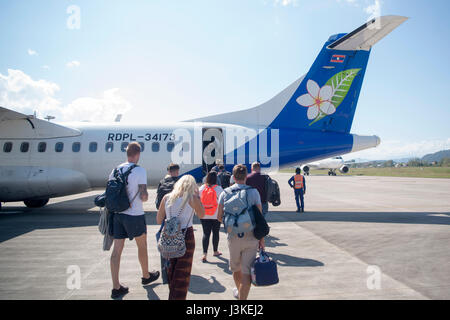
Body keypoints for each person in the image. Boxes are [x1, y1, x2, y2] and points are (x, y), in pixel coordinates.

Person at [109, 142, 160, 299]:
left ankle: (116, 286)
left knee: (117, 250)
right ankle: (146, 276)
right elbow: (143, 196)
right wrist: (145, 196)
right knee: (142, 246)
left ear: (127, 153)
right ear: (138, 154)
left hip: (117, 214)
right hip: (134, 215)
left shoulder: (115, 170)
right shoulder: (139, 170)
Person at [217, 164, 265, 300]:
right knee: (246, 272)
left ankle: (240, 294)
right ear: (246, 176)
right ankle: (242, 298)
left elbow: (219, 216)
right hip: (250, 237)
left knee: (235, 268)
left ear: (233, 176)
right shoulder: (253, 192)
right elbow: (260, 217)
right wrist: (261, 239)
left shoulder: (224, 193)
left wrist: (231, 224)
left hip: (233, 237)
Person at [156, 175, 205, 300]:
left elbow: (158, 220)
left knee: (171, 270)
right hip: (185, 235)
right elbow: (202, 214)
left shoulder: (166, 197)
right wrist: (197, 197)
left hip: (169, 235)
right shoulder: (192, 198)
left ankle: (172, 296)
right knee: (183, 273)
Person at [199, 171, 224, 263]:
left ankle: (204, 254)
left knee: (206, 234)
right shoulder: (219, 189)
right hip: (216, 214)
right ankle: (215, 251)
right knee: (216, 232)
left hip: (204, 214)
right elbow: (223, 201)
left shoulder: (202, 188)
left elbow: (197, 199)